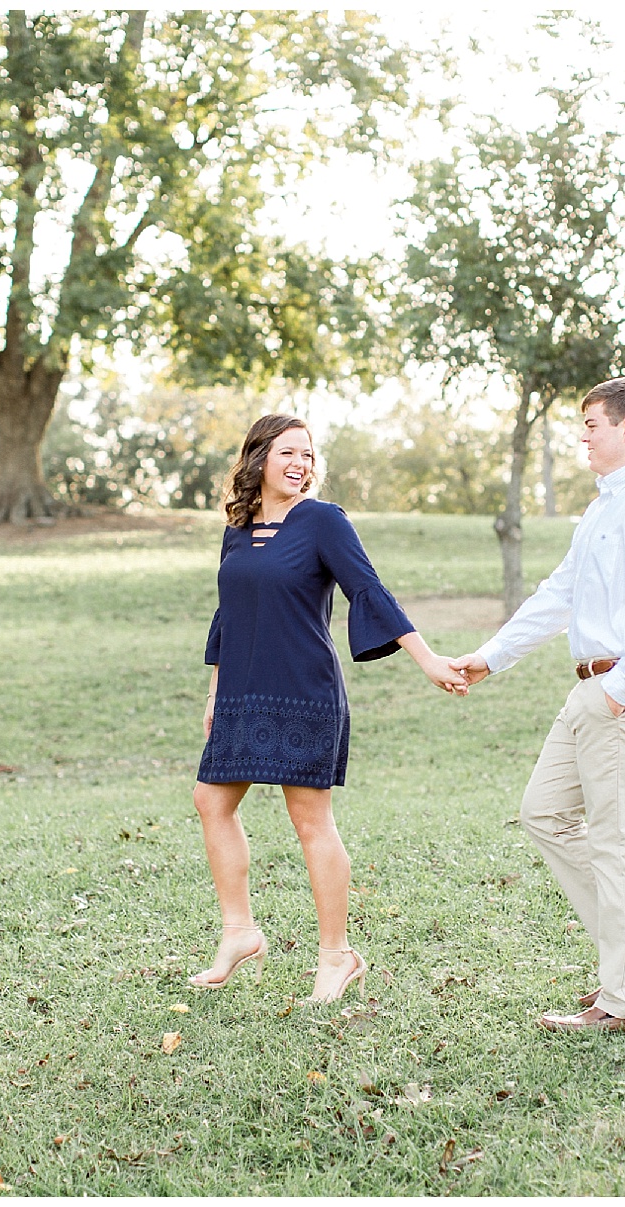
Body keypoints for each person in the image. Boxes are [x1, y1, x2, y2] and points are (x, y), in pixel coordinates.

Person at [451, 375, 625, 1032]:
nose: (583, 436)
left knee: (619, 842)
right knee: (543, 812)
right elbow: (557, 594)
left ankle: (624, 1002)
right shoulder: (605, 506)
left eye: (591, 424)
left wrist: (621, 688)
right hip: (594, 689)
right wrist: (489, 658)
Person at [191, 413, 469, 1003]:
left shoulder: (323, 521)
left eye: (309, 456)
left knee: (309, 820)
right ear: (258, 458)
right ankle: (239, 934)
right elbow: (229, 612)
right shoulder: (237, 530)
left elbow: (369, 589)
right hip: (242, 689)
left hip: (302, 688)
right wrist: (215, 691)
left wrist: (428, 660)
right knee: (210, 800)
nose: (301, 465)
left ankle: (337, 956)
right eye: (289, 453)